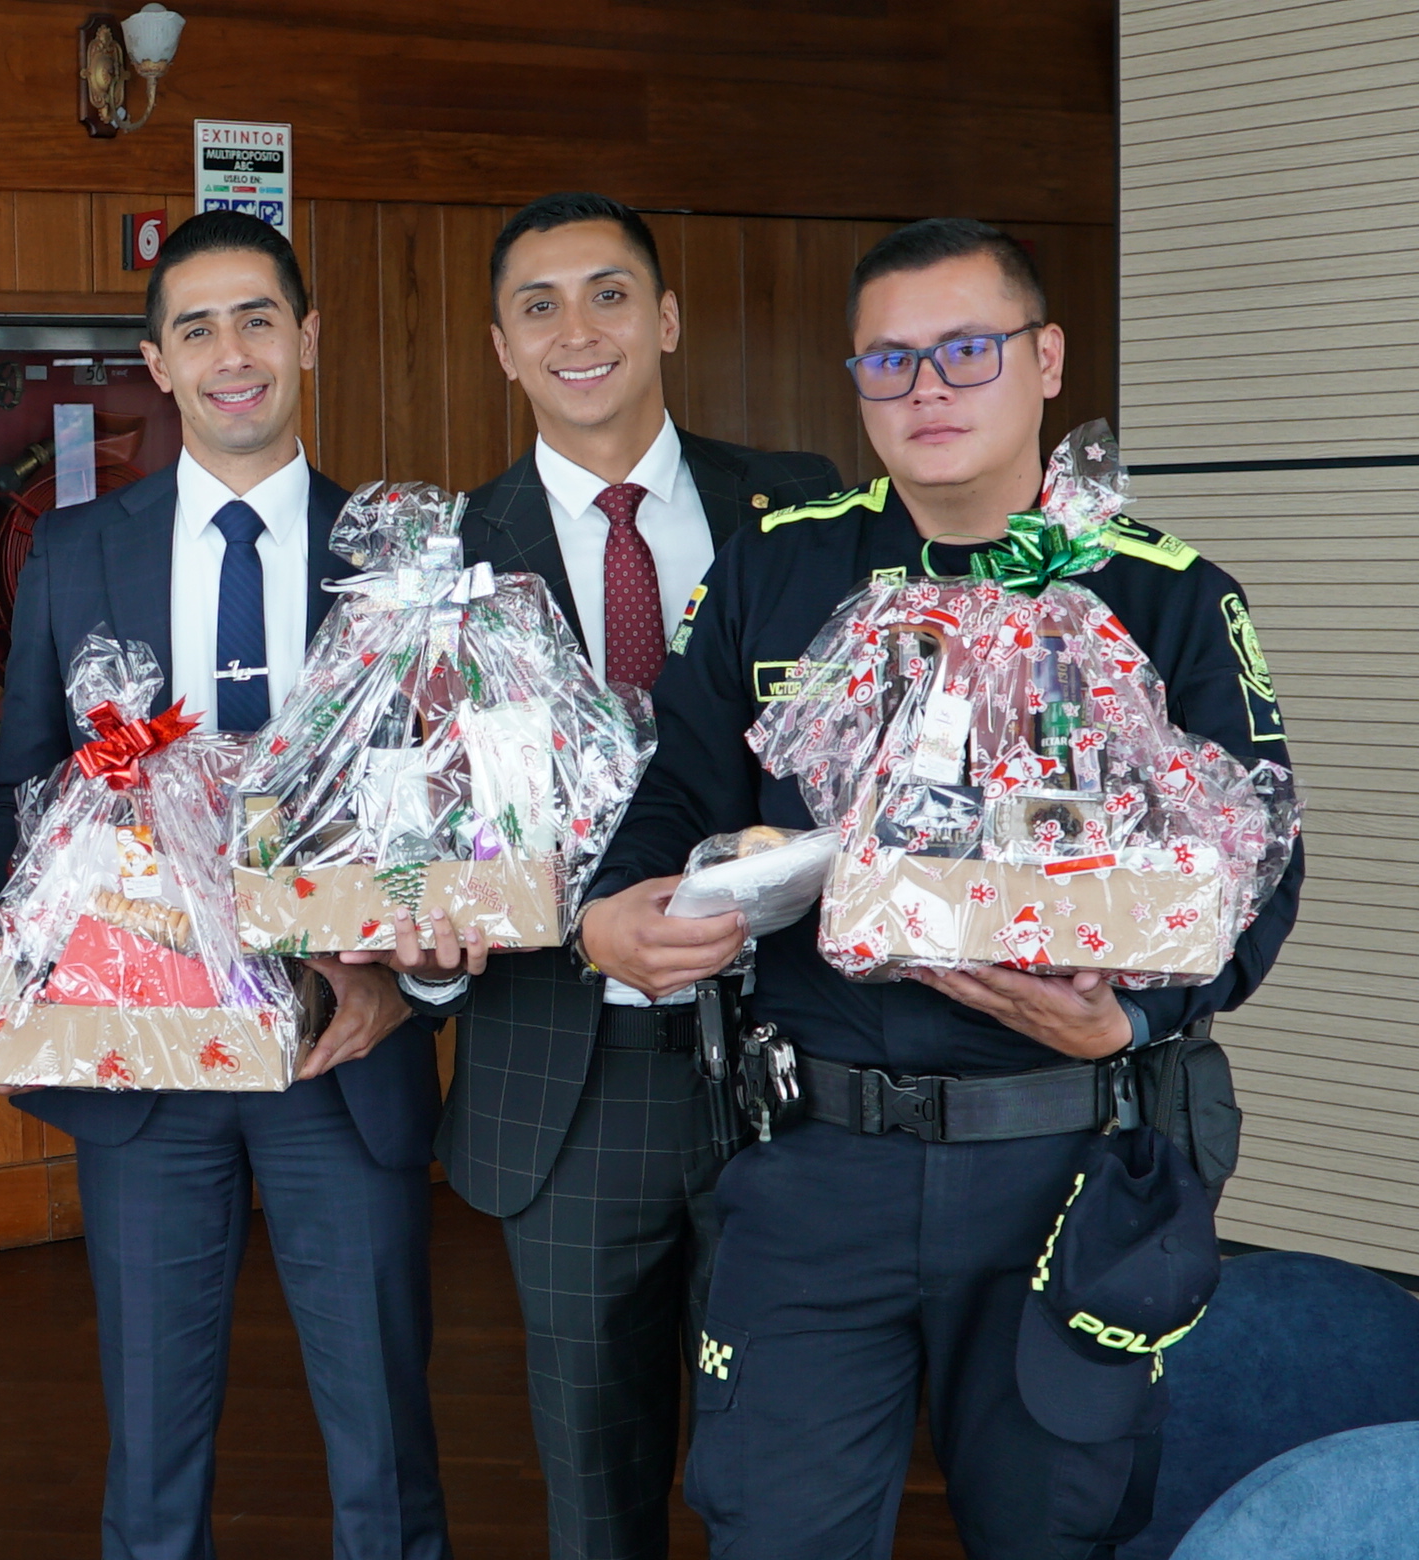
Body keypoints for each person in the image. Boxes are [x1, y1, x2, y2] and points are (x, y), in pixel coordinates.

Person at [575, 219, 1302, 1557]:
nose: (927, 388)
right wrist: (609, 911)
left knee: (1055, 1530)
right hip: (815, 1156)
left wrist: (1132, 1018)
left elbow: (1261, 860)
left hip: (1065, 1158)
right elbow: (672, 791)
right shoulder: (776, 569)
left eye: (968, 350)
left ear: (1048, 360)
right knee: (773, 1529)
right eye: (888, 360)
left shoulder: (1165, 595)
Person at [0, 209, 451, 1560]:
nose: (231, 353)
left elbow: (462, 806)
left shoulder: (398, 554)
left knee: (385, 1445)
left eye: (257, 319)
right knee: (150, 1453)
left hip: (344, 1051)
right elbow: (26, 785)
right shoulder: (75, 552)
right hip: (143, 1061)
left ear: (307, 338)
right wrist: (23, 975)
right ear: (158, 362)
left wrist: (413, 983)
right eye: (197, 329)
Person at [373, 192, 840, 1560]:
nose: (576, 330)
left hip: (796, 1062)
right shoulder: (437, 566)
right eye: (539, 306)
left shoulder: (805, 511)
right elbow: (408, 834)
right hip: (566, 1087)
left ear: (668, 319)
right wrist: (426, 954)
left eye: (609, 294)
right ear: (500, 348)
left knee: (794, 1480)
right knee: (597, 1499)